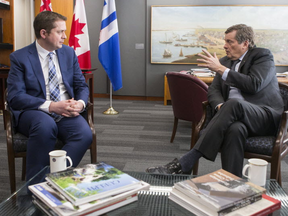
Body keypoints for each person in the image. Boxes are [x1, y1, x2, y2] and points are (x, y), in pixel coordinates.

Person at [146, 24, 284, 177]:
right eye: (225, 41)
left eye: (230, 42)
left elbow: (254, 84)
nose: (225, 46)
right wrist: (220, 106)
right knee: (235, 130)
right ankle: (232, 182)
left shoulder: (262, 56)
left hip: (265, 117)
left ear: (245, 43)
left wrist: (220, 69)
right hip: (235, 117)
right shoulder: (225, 61)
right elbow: (214, 89)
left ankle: (187, 161)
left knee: (234, 104)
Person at [7, 11, 92, 184]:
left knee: (84, 134)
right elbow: (15, 97)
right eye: (60, 32)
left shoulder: (68, 53)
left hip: (66, 110)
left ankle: (54, 182)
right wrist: (51, 106)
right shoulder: (19, 57)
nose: (65, 36)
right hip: (34, 111)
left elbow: (80, 85)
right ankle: (33, 191)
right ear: (43, 33)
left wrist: (80, 104)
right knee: (45, 126)